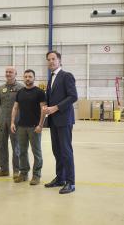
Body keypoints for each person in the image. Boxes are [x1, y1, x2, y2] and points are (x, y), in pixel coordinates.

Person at [44, 50, 78, 194]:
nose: (51, 61)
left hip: (64, 119)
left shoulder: (66, 76)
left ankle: (71, 182)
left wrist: (55, 108)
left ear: (59, 60)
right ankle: (60, 178)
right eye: (48, 59)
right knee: (57, 151)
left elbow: (73, 96)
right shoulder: (51, 78)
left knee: (66, 151)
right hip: (54, 120)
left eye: (53, 59)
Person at [10, 69, 46, 185]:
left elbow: (43, 110)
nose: (27, 79)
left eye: (30, 77)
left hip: (34, 127)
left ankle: (36, 175)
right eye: (25, 77)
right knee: (22, 152)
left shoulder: (40, 92)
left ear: (34, 78)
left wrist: (41, 125)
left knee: (37, 152)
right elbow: (15, 108)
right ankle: (23, 174)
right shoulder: (20, 93)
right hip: (21, 127)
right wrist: (12, 122)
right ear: (23, 78)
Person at [0, 66, 24, 179]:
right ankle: (4, 169)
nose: (8, 74)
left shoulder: (21, 88)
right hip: (2, 121)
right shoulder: (0, 89)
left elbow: (25, 106)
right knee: (1, 145)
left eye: (11, 72)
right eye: (7, 72)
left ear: (16, 74)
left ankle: (16, 170)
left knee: (16, 146)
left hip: (15, 121)